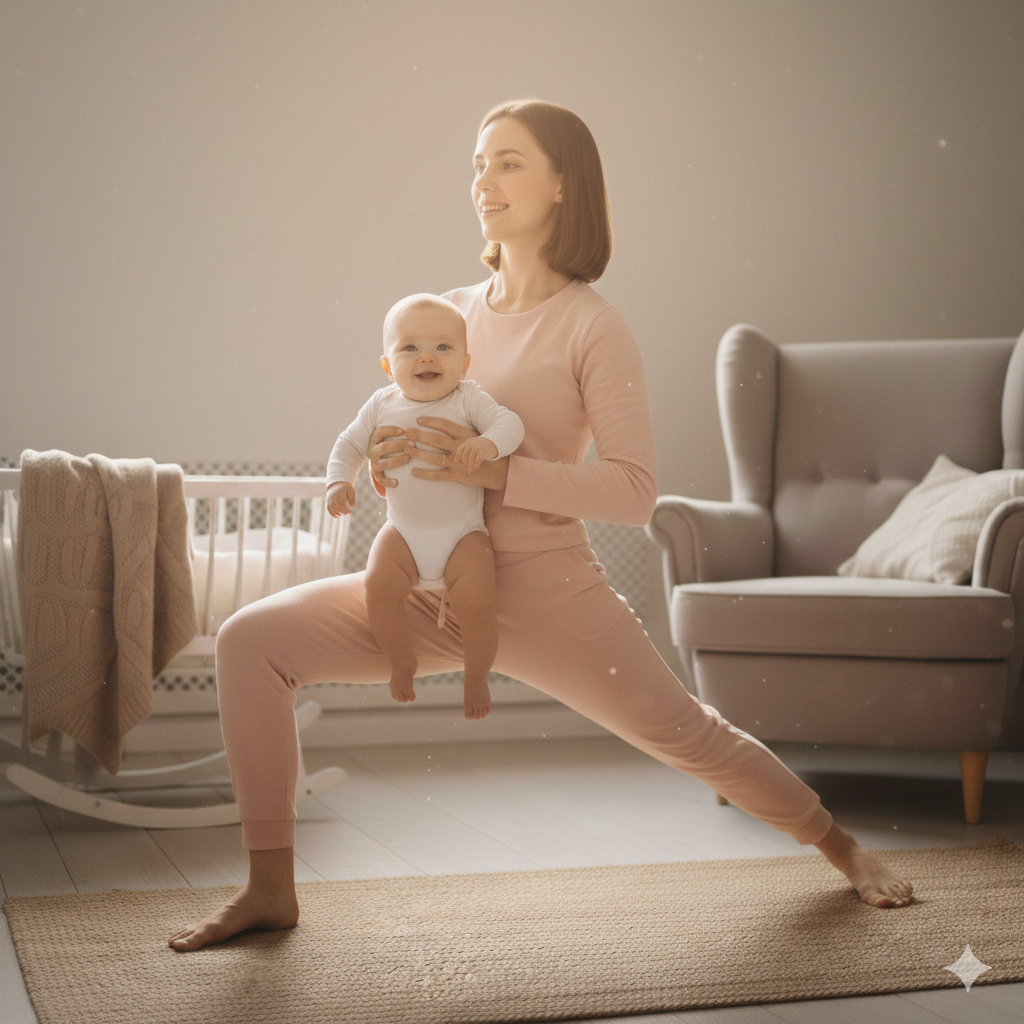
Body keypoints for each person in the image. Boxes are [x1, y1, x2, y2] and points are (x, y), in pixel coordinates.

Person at [169, 99, 913, 953]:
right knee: (248, 642)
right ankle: (270, 890)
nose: (484, 181)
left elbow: (634, 493)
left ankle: (842, 847)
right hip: (422, 586)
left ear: (564, 183)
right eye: (478, 164)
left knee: (685, 733)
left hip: (545, 591)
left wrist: (501, 472)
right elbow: (391, 420)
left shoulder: (595, 325)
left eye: (509, 162)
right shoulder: (446, 314)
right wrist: (384, 462)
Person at [325, 293, 525, 720]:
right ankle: (401, 660)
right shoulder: (381, 404)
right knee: (378, 587)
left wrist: (486, 443)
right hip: (402, 533)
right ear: (387, 365)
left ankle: (475, 676)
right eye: (410, 348)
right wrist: (339, 481)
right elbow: (349, 444)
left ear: (465, 363)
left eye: (443, 347)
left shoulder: (468, 400)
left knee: (478, 604)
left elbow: (511, 424)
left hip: (463, 534)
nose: (426, 358)